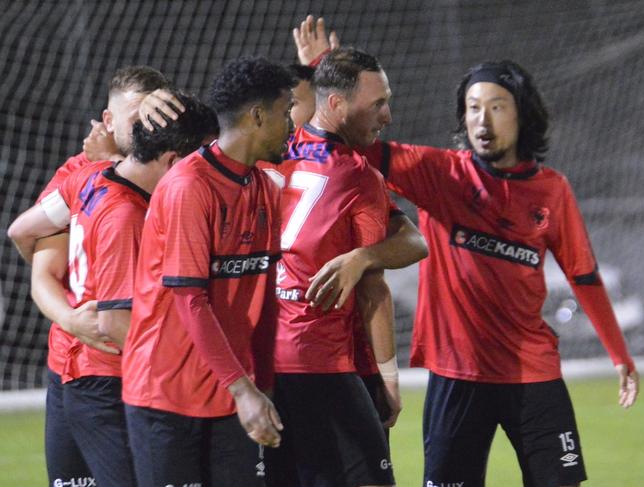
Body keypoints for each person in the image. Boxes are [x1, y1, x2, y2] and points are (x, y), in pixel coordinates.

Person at [319, 59, 640, 487]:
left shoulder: (552, 190)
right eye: (472, 107)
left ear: (523, 114)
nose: (482, 119)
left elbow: (583, 275)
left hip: (533, 375)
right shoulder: (440, 173)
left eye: (497, 106)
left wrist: (620, 355)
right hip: (457, 376)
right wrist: (323, 77)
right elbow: (348, 143)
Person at [9, 90, 218, 486]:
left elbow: (21, 231)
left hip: (85, 369)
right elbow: (115, 322)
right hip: (109, 376)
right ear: (108, 118)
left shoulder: (88, 175)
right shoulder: (128, 217)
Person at [120, 56, 294, 487]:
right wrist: (244, 389)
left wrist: (264, 382)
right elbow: (190, 300)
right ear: (257, 116)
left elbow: (263, 296)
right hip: (168, 397)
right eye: (285, 112)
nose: (291, 123)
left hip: (233, 393)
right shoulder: (188, 187)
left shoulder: (263, 188)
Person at [257, 47, 411, 487]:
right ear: (336, 105)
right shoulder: (358, 176)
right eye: (378, 103)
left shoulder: (268, 154)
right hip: (321, 361)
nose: (387, 115)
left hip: (264, 363)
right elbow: (372, 288)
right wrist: (389, 378)